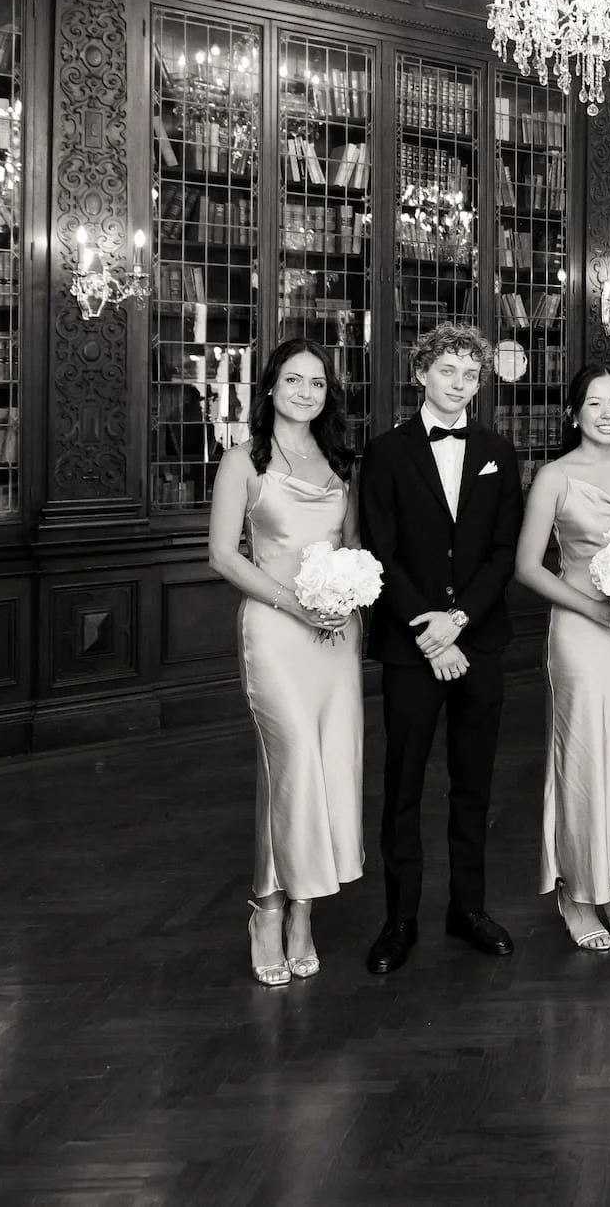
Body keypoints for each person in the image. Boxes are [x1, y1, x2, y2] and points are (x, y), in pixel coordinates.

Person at [355, 321, 524, 973]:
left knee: (474, 782)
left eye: (470, 374)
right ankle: (399, 919)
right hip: (410, 645)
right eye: (448, 370)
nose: (459, 384)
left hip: (478, 639)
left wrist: (460, 619)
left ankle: (468, 907)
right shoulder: (386, 451)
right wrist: (429, 627)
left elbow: (504, 548)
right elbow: (379, 549)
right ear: (421, 371)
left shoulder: (497, 450)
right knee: (402, 784)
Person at [207, 339, 365, 986]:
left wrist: (345, 598)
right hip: (275, 628)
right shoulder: (243, 460)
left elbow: (353, 547)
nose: (306, 390)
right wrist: (296, 607)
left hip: (336, 634)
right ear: (269, 386)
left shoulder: (339, 461)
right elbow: (222, 554)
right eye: (293, 379)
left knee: (328, 765)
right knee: (292, 760)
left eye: (318, 382)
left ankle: (303, 909)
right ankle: (266, 907)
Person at [513, 363, 610, 953]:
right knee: (581, 752)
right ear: (574, 413)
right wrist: (594, 608)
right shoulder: (554, 476)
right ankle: (576, 891)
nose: (608, 413)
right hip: (580, 628)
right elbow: (527, 567)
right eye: (595, 403)